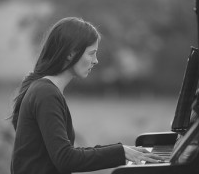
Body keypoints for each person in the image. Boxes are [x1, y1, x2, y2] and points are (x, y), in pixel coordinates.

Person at [10, 17, 164, 174]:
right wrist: (120, 152)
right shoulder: (45, 93)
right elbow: (66, 159)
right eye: (91, 53)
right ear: (71, 53)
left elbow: (65, 154)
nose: (95, 61)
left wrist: (122, 151)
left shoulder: (44, 90)